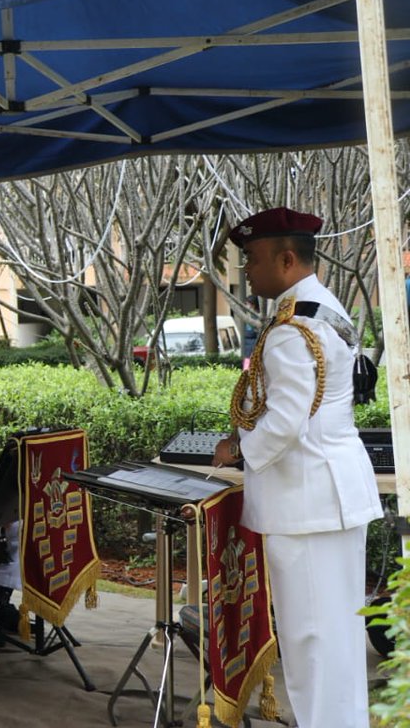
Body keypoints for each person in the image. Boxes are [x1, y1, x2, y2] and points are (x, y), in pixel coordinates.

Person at [213, 207, 381, 728]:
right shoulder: (326, 308)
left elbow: (286, 419)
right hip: (331, 495)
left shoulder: (292, 328)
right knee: (337, 644)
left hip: (306, 503)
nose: (248, 270)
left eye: (253, 259)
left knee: (312, 646)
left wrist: (240, 450)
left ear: (287, 259)